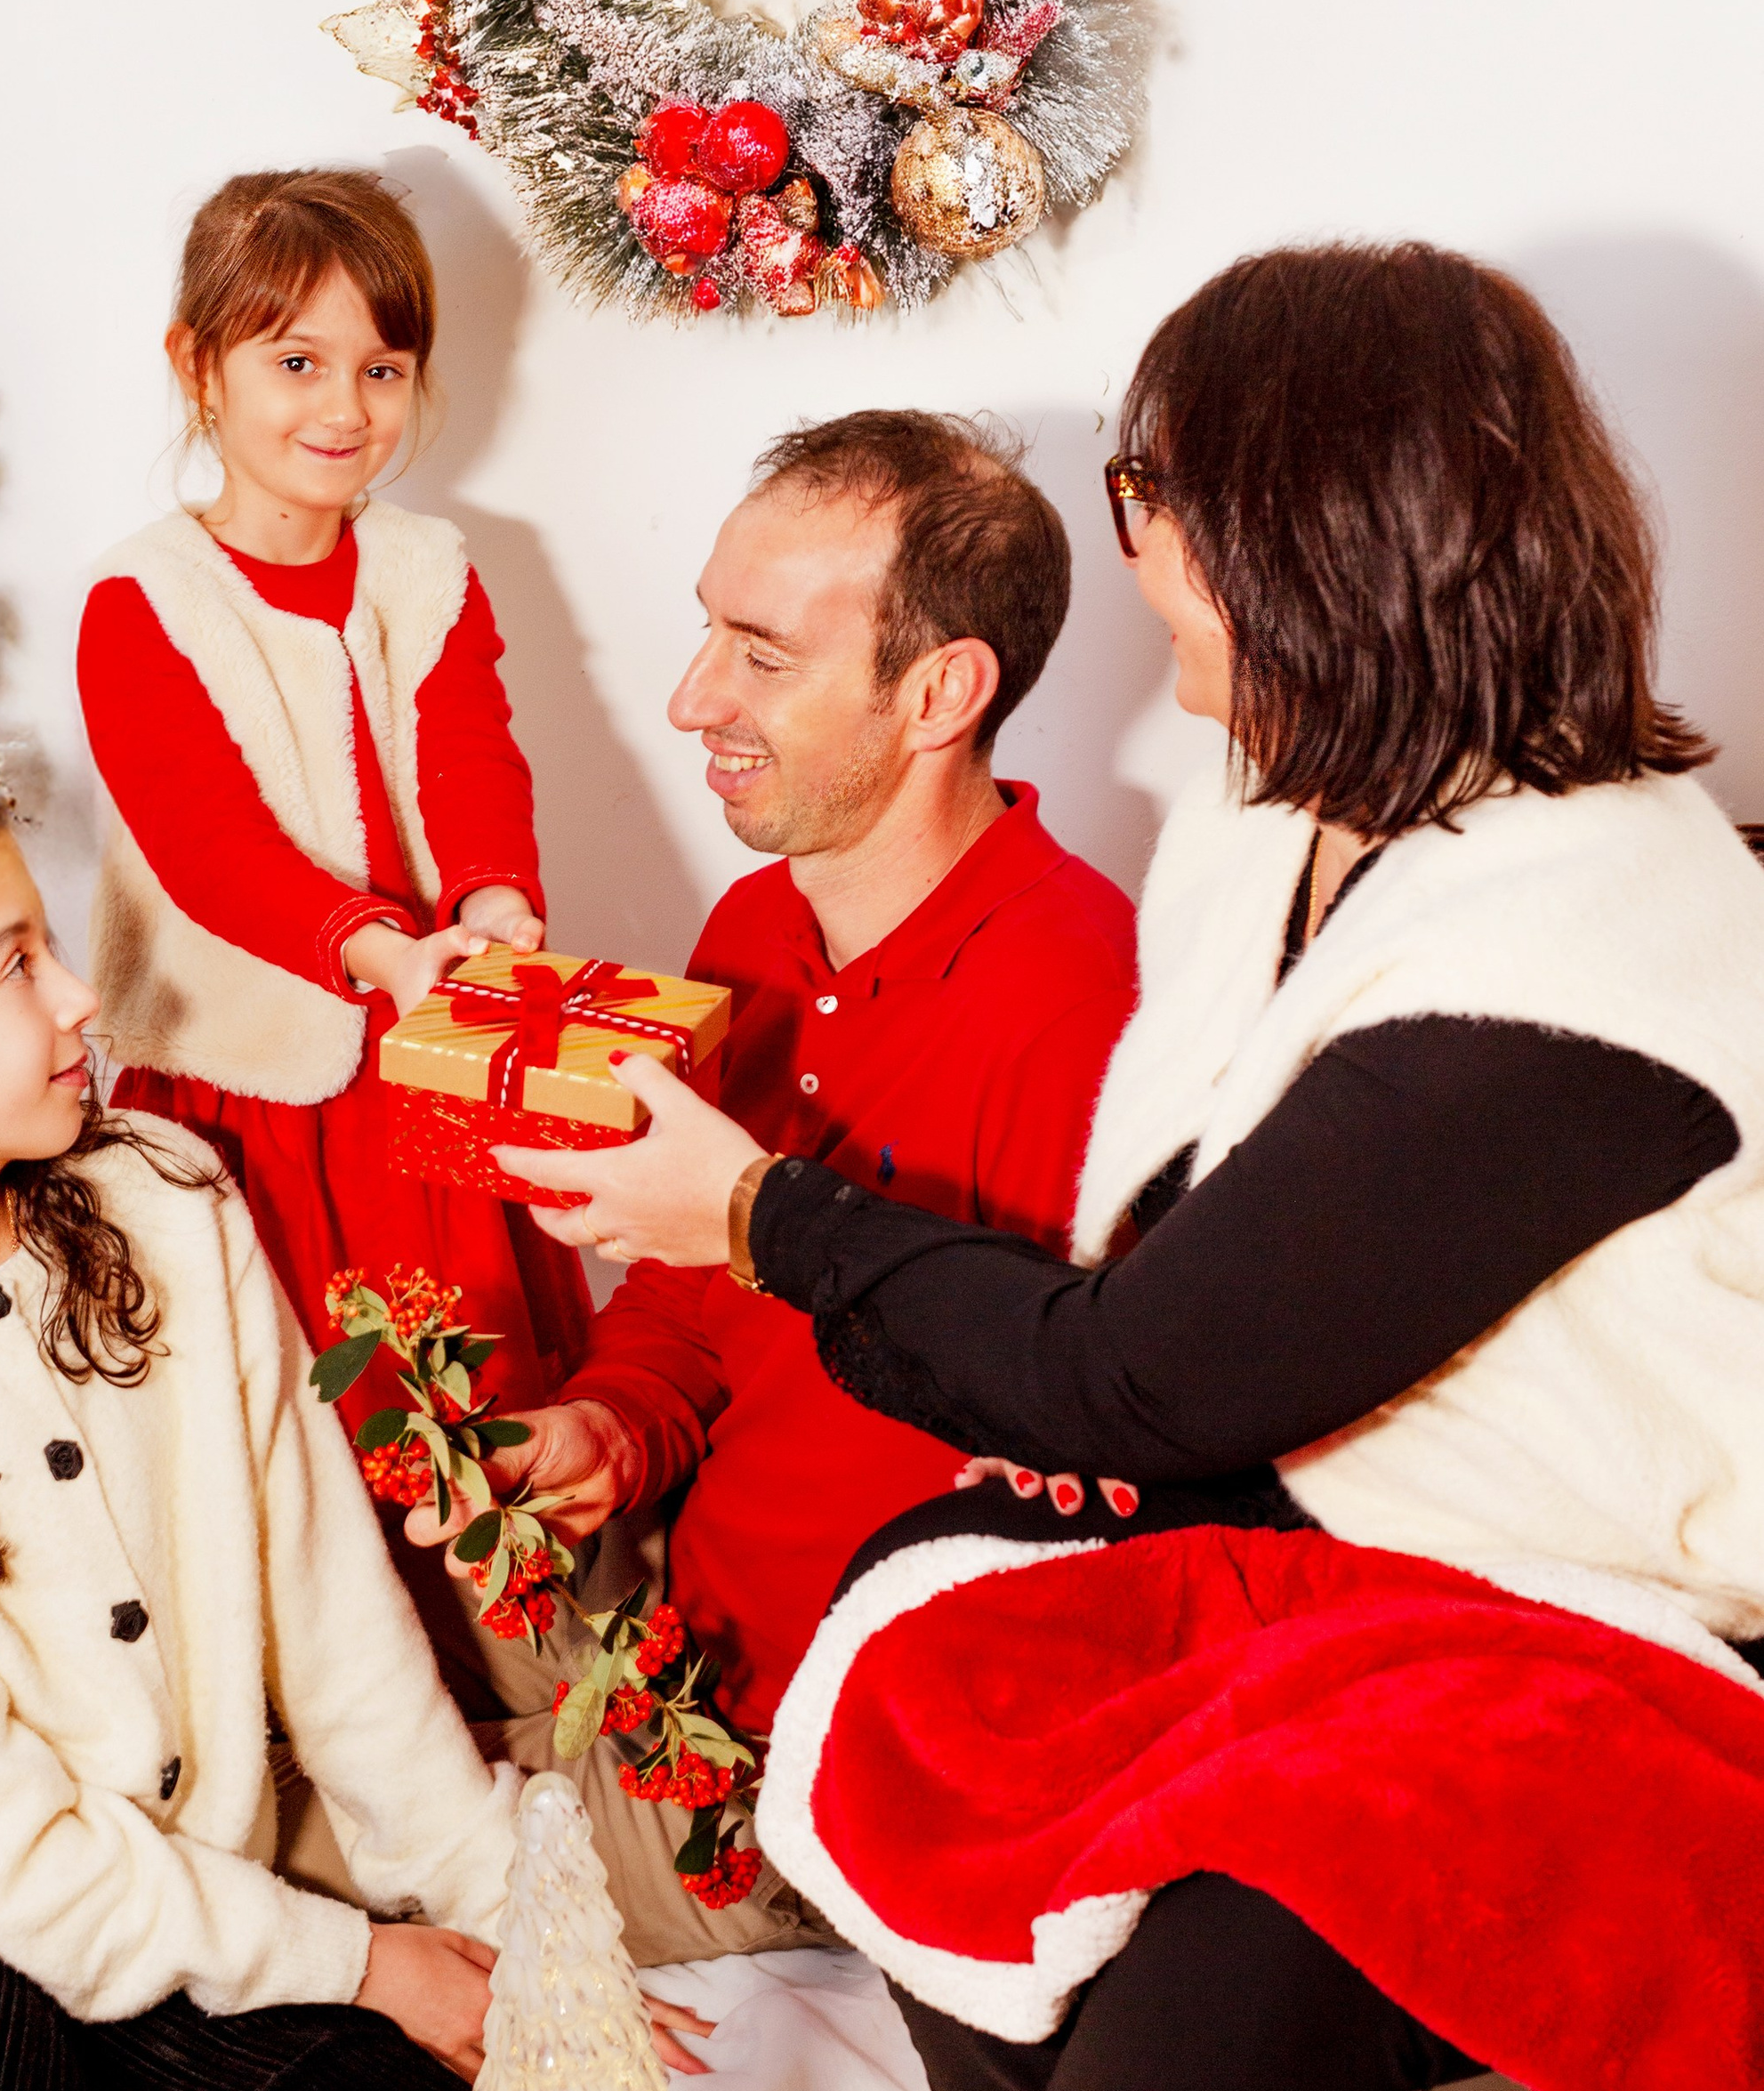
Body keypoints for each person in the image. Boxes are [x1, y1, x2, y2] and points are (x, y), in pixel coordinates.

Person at [498, 243, 1764, 2087]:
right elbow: (1171, 1281)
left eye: (1152, 501)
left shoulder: (1564, 954)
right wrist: (627, 1388)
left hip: (1566, 1617)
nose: (1131, 557)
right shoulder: (1276, 836)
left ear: (1302, 536)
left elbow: (1136, 1368)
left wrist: (762, 1213)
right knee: (935, 1722)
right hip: (1281, 1546)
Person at [0, 777, 710, 2087]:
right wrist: (362, 1962)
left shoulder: (168, 1206)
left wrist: (519, 1931)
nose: (81, 998)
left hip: (181, 1901)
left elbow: (333, 1622)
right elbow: (3, 1858)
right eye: (19, 965)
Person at [418, 409, 1139, 1963]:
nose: (694, 701)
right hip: (666, 1606)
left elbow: (1054, 1480)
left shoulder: (1077, 1005)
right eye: (707, 635)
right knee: (303, 1628)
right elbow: (693, 1285)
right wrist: (614, 1419)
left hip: (801, 1777)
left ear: (940, 692)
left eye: (762, 654)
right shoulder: (756, 926)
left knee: (331, 1861)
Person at [75, 169, 589, 1718]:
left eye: (381, 367)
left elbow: (476, 751)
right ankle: (319, 1704)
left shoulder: (429, 568)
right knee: (291, 1401)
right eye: (294, 361)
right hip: (253, 1080)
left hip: (422, 1050)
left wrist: (494, 900)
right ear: (197, 368)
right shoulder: (143, 601)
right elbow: (211, 847)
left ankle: (508, 1686)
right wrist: (371, 947)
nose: (345, 405)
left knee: (472, 1370)